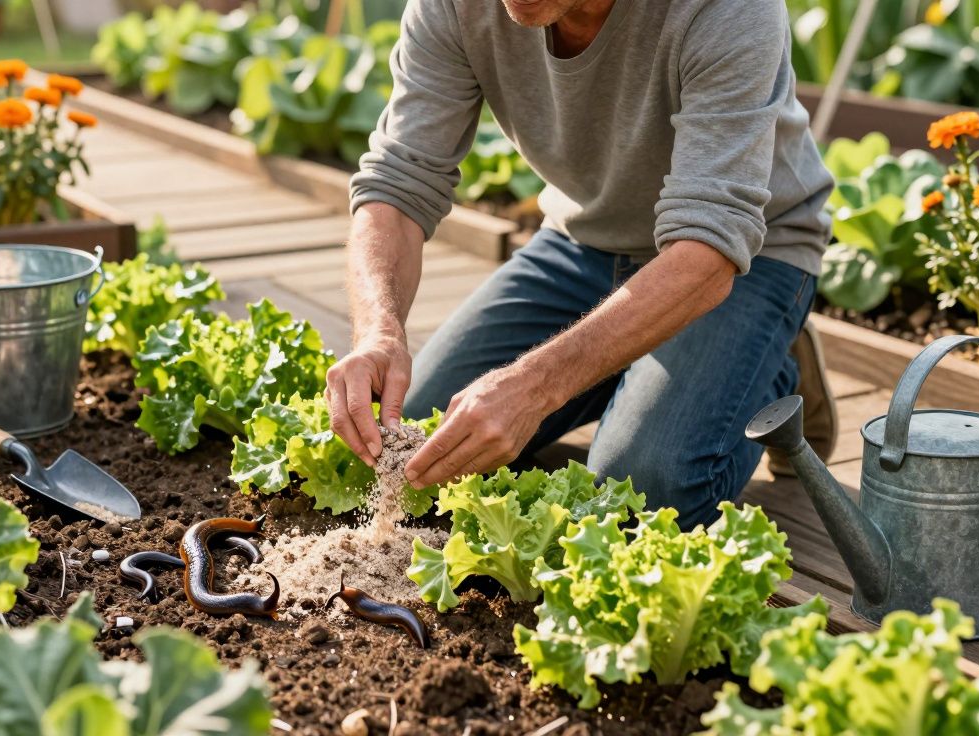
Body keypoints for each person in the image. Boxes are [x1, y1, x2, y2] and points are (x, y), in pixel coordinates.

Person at [326, 0, 838, 528]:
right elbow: (397, 184)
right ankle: (642, 371)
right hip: (582, 243)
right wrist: (378, 334)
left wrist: (535, 385)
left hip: (741, 258)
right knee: (413, 447)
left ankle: (774, 361)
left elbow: (708, 247)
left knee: (642, 495)